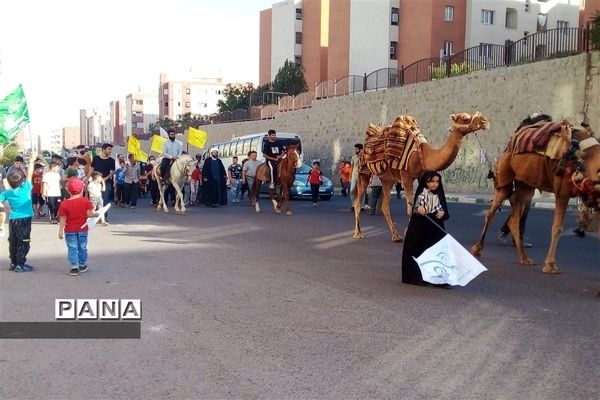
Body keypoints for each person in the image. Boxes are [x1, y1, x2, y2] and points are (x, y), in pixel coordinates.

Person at [401, 171, 450, 288]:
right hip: (420, 227)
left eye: (437, 182)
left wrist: (442, 212)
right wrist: (419, 209)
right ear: (426, 182)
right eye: (432, 181)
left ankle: (439, 280)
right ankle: (416, 277)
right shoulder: (421, 194)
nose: (435, 184)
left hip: (435, 228)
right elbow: (416, 209)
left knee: (439, 252)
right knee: (418, 251)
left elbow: (445, 211)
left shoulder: (439, 194)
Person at [0, 151, 37, 272]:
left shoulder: (7, 193)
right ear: (21, 181)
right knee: (24, 240)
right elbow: (30, 174)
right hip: (25, 218)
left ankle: (13, 262)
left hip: (13, 219)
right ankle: (20, 264)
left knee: (13, 240)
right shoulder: (25, 189)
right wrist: (31, 161)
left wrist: (5, 206)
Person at [58, 178, 95, 276]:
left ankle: (74, 266)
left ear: (68, 190)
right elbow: (89, 214)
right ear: (82, 189)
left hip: (70, 230)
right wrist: (95, 213)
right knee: (82, 247)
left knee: (72, 248)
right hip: (82, 229)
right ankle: (82, 264)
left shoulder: (64, 203)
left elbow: (63, 218)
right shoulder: (85, 201)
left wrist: (60, 231)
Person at [90, 143, 115, 220]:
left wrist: (105, 178)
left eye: (111, 149)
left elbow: (112, 172)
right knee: (95, 199)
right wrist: (89, 178)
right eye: (109, 149)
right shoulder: (96, 158)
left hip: (106, 183)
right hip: (95, 183)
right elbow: (91, 169)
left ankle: (104, 216)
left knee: (105, 199)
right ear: (103, 150)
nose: (110, 151)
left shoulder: (111, 160)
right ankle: (96, 215)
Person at [350, 143, 366, 211]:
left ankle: (362, 206)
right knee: (352, 191)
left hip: (362, 177)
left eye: (356, 149)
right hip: (354, 176)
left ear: (360, 149)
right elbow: (352, 167)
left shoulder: (364, 157)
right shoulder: (353, 157)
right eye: (355, 149)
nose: (355, 150)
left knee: (362, 192)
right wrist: (350, 177)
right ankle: (354, 205)